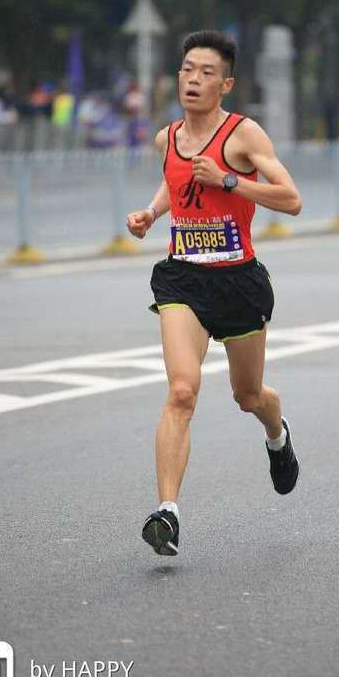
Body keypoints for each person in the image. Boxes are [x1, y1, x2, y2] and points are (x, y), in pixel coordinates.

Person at [126, 29, 302, 556]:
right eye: (186, 70)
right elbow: (174, 180)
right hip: (184, 278)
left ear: (226, 83)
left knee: (249, 396)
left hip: (238, 282)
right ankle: (167, 514)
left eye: (205, 73)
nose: (193, 80)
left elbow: (291, 199)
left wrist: (229, 181)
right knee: (182, 390)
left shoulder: (244, 136)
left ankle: (278, 435)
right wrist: (153, 213)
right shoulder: (168, 138)